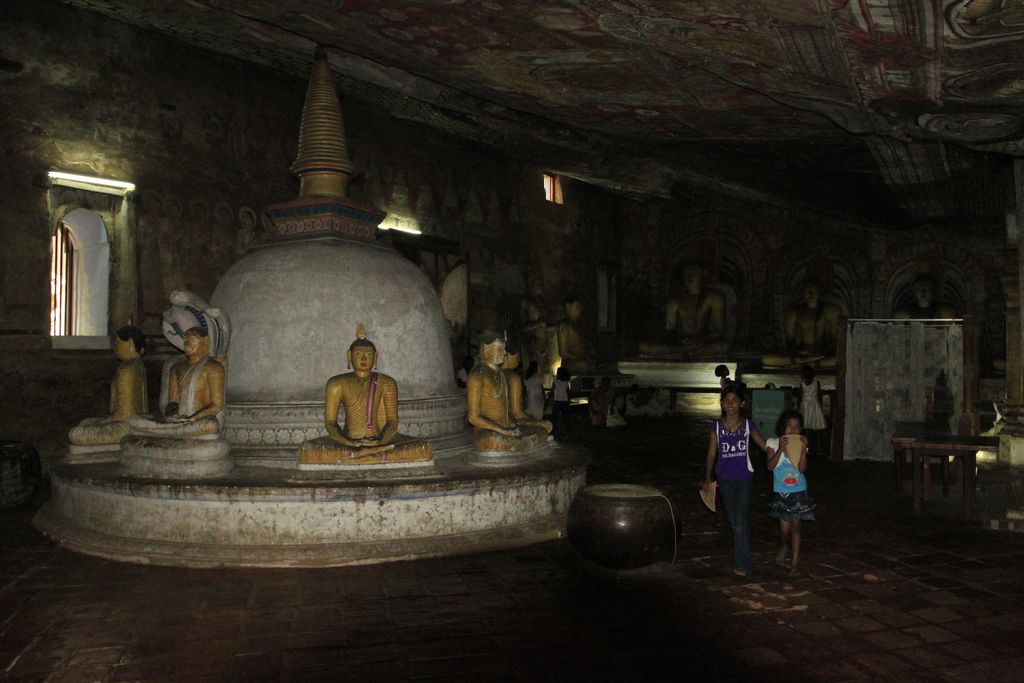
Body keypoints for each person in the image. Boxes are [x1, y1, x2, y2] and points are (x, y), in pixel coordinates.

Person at [298, 325, 432, 464]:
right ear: (349, 355)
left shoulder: (386, 382)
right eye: (358, 354)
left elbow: (391, 422)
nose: (363, 359)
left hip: (379, 442)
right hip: (348, 443)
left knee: (423, 449)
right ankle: (365, 455)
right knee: (307, 451)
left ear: (376, 356)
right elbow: (330, 423)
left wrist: (379, 440)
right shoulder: (336, 383)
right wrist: (350, 442)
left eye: (368, 355)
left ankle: (363, 455)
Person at [702, 384, 768, 577]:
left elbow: (765, 446)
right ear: (722, 404)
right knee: (735, 522)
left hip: (744, 479)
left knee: (739, 521)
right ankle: (743, 554)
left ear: (742, 403)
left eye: (734, 401)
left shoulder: (748, 425)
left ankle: (743, 563)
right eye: (727, 401)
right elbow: (711, 453)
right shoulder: (716, 427)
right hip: (725, 479)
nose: (730, 404)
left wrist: (786, 450)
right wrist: (708, 478)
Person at [129, 327, 225, 438]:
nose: (187, 343)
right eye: (185, 339)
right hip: (179, 422)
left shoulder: (214, 367)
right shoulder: (176, 368)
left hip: (198, 420)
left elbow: (217, 405)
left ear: (205, 341)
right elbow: (173, 401)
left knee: (211, 425)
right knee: (134, 420)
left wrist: (191, 418)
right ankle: (172, 431)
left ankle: (169, 432)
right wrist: (172, 415)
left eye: (192, 339)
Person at [466, 332, 551, 452]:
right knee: (494, 440)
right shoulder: (477, 375)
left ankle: (518, 442)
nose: (504, 353)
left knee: (541, 431)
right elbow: (473, 417)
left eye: (504, 349)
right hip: (487, 430)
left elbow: (513, 412)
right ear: (486, 350)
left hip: (508, 425)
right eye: (499, 349)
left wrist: (518, 425)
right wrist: (501, 430)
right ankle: (517, 442)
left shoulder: (500, 373)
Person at [69, 325, 149, 448]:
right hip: (135, 424)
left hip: (126, 427)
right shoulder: (136, 366)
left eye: (118, 343)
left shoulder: (127, 370)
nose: (115, 346)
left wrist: (105, 421)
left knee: (75, 433)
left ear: (130, 344)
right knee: (85, 422)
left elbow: (124, 415)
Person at [765, 411, 815, 576]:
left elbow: (801, 469)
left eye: (796, 427)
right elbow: (770, 466)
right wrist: (781, 448)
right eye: (789, 426)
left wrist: (802, 450)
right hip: (781, 493)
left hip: (798, 492)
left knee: (796, 528)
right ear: (782, 427)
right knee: (784, 530)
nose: (793, 430)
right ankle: (784, 545)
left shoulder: (802, 444)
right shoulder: (772, 443)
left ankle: (794, 562)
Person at [798, 365, 827, 456]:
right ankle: (819, 449)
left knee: (806, 429)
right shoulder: (816, 383)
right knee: (818, 428)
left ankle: (807, 449)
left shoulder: (802, 384)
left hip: (806, 406)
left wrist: (798, 409)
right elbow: (819, 395)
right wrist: (821, 407)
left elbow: (800, 397)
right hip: (814, 406)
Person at [551, 366, 571, 440]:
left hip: (557, 402)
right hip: (565, 402)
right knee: (565, 419)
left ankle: (553, 433)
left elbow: (552, 392)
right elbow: (568, 393)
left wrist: (548, 401)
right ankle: (566, 434)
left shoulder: (555, 382)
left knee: (554, 419)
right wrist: (569, 402)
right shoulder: (566, 382)